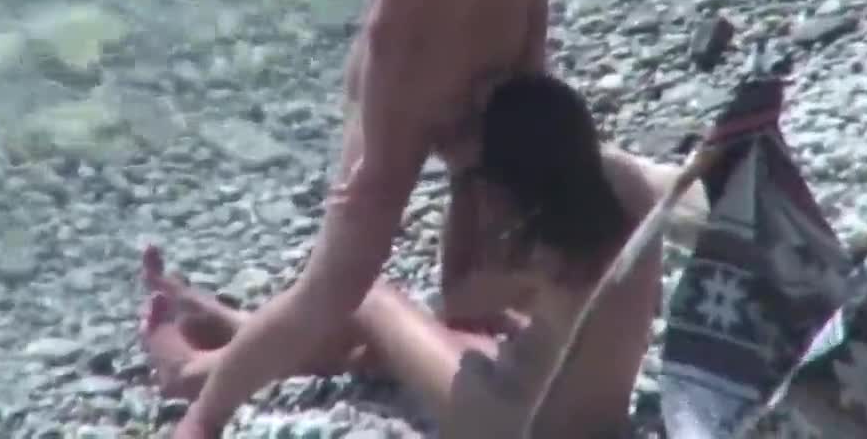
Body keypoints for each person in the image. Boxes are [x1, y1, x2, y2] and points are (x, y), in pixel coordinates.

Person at [148, 0, 708, 435]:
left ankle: (255, 342)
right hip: (399, 113)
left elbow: (531, 6)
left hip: (488, 118)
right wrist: (380, 152)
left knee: (465, 299)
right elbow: (387, 34)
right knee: (340, 282)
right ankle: (204, 413)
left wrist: (528, 110)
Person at [142, 73, 662, 437]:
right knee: (379, 351)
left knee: (367, 298)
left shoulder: (541, 253)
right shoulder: (629, 191)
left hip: (513, 425)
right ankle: (244, 331)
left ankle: (190, 373)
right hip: (597, 417)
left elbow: (458, 300)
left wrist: (462, 178)